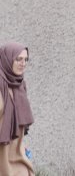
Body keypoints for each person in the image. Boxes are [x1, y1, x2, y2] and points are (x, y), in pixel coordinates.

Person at [0, 42, 34, 176]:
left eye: (26, 59)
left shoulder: (19, 86)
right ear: (7, 59)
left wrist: (22, 144)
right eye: (18, 59)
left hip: (17, 157)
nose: (23, 63)